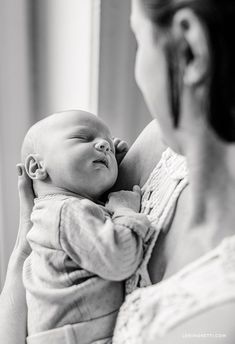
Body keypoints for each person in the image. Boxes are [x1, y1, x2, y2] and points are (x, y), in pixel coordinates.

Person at [1, 0, 235, 343]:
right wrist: (26, 243)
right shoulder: (158, 149)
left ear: (191, 46)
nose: (106, 146)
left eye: (138, 39)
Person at [21, 109, 152, 343]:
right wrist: (124, 209)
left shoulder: (60, 213)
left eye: (109, 146)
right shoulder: (64, 212)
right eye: (82, 137)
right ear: (37, 167)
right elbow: (120, 259)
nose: (104, 144)